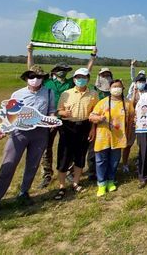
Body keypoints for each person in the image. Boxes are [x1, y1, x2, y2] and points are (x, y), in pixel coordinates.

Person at [0, 65, 56, 217]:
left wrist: (52, 119)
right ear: (26, 78)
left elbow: (51, 110)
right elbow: (10, 114)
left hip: (40, 134)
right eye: (31, 77)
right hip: (19, 133)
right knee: (8, 164)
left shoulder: (49, 92)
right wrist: (4, 129)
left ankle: (24, 192)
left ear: (43, 79)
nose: (35, 80)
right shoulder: (17, 94)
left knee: (32, 164)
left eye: (39, 77)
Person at [27, 43, 96, 189]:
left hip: (67, 122)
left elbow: (85, 73)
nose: (63, 72)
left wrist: (92, 57)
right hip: (50, 119)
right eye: (60, 70)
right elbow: (31, 71)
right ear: (54, 71)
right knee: (47, 147)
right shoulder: (47, 82)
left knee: (68, 147)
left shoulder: (71, 83)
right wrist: (30, 52)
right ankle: (47, 174)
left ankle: (69, 171)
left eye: (65, 70)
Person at [53, 68, 99, 200]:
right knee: (64, 156)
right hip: (68, 127)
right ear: (73, 79)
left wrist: (92, 129)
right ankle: (61, 186)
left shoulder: (93, 94)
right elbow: (59, 111)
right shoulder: (66, 94)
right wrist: (63, 113)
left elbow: (94, 113)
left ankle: (76, 183)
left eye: (83, 77)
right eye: (78, 77)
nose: (80, 80)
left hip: (84, 126)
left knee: (80, 155)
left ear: (88, 79)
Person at [89, 80, 128, 196]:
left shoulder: (127, 103)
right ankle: (101, 183)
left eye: (119, 87)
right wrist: (99, 119)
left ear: (123, 88)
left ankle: (111, 180)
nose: (116, 89)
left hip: (118, 137)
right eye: (114, 86)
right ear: (110, 89)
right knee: (101, 160)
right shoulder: (103, 103)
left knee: (114, 161)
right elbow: (91, 116)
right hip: (103, 137)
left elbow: (132, 117)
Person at [120, 72, 145, 174]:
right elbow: (132, 104)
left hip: (143, 123)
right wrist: (135, 93)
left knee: (142, 144)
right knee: (128, 144)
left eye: (143, 81)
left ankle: (140, 162)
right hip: (132, 123)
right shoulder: (131, 93)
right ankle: (125, 163)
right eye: (139, 81)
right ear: (135, 83)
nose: (141, 83)